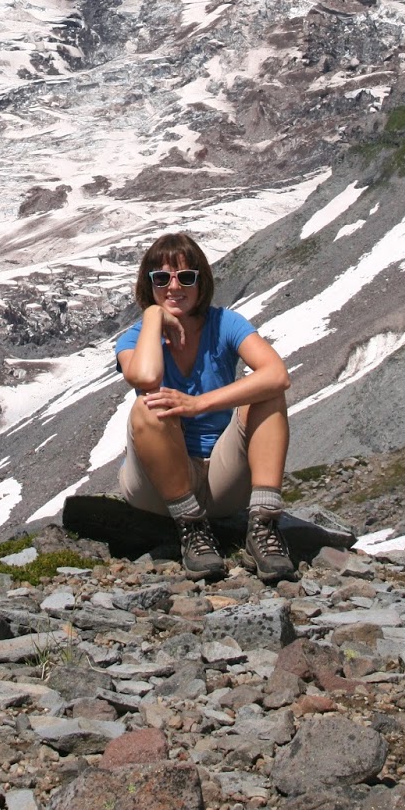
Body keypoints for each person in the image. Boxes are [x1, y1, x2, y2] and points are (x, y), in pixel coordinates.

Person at [115, 230, 294, 581]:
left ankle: (264, 527)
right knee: (147, 406)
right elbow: (146, 378)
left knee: (268, 394)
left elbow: (277, 374)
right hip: (158, 486)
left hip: (219, 478)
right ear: (148, 285)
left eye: (185, 277)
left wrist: (198, 404)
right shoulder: (135, 337)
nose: (173, 286)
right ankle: (192, 529)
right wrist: (153, 318)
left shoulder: (225, 323)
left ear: (201, 281)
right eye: (161, 278)